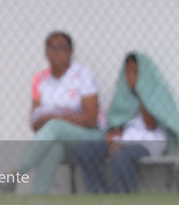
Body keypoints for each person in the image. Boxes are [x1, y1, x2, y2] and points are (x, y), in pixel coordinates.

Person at [11, 31, 105, 194]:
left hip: (91, 136)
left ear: (70, 52)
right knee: (54, 146)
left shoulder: (83, 75)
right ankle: (38, 199)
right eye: (51, 48)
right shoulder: (40, 79)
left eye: (61, 48)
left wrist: (54, 118)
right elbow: (35, 124)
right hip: (60, 138)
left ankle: (17, 174)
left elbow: (91, 120)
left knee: (55, 126)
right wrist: (48, 120)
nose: (56, 53)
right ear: (45, 53)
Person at [73, 52, 179, 193]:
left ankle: (127, 196)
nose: (130, 77)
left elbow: (150, 124)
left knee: (120, 157)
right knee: (85, 151)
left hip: (148, 142)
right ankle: (101, 194)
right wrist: (112, 138)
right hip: (124, 140)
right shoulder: (124, 95)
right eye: (127, 72)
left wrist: (141, 90)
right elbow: (117, 125)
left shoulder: (158, 93)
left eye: (134, 72)